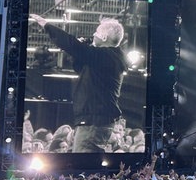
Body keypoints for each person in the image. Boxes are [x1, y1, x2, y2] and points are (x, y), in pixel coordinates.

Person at [30, 14, 127, 152]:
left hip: (93, 122)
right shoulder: (109, 57)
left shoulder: (106, 56)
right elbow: (80, 68)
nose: (94, 34)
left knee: (83, 163)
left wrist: (47, 25)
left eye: (97, 32)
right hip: (95, 120)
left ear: (104, 38)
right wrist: (84, 49)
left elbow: (71, 44)